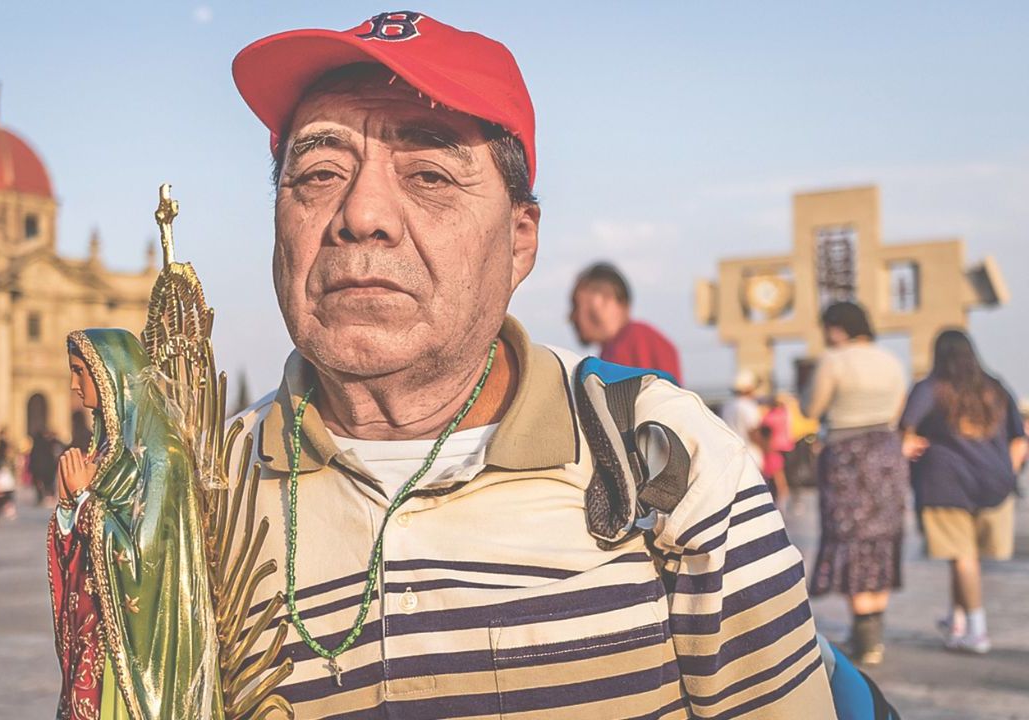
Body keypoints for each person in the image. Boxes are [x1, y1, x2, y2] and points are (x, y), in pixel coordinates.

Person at [222, 13, 833, 717]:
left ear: (519, 241)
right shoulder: (199, 487)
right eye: (319, 172)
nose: (361, 214)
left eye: (429, 174)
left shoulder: (668, 457)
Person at [47, 329, 222, 718]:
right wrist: (66, 507)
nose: (74, 386)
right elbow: (82, 535)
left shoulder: (163, 454)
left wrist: (84, 500)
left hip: (139, 647)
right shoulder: (109, 448)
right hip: (101, 636)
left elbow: (145, 554)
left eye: (80, 372)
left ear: (111, 373)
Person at [899, 329, 1028, 654]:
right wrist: (1006, 475)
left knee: (962, 557)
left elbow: (905, 428)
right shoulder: (995, 387)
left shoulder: (931, 387)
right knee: (966, 559)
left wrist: (910, 445)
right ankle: (957, 620)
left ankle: (977, 630)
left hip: (946, 483)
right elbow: (1019, 439)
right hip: (996, 483)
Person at [802, 301, 908, 665]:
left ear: (836, 327)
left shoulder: (835, 360)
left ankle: (866, 638)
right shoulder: (892, 361)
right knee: (879, 538)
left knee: (851, 537)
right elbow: (897, 410)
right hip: (887, 451)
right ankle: (871, 630)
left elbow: (811, 407)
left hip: (847, 453)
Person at [570, 262, 684, 383]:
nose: (572, 317)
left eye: (577, 305)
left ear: (608, 299)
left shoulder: (639, 339)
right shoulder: (611, 351)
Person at [720, 368, 765, 467]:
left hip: (732, 456)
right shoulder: (749, 406)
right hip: (751, 456)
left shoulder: (727, 406)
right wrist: (766, 448)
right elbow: (753, 432)